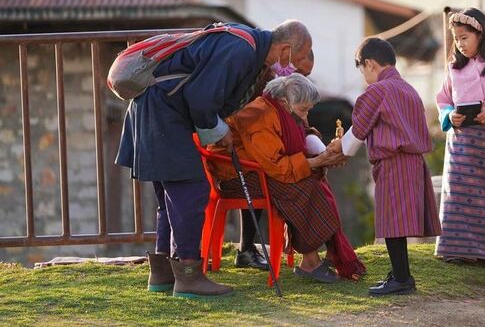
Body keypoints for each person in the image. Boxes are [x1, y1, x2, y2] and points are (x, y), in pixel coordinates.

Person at [115, 20, 312, 298]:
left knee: (170, 196)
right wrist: (221, 133)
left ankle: (163, 274)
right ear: (286, 49)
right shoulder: (241, 49)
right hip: (163, 112)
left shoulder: (247, 45)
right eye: (299, 59)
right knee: (191, 190)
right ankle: (189, 276)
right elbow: (201, 96)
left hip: (157, 108)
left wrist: (220, 129)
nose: (295, 68)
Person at [209, 73, 366, 283]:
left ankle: (331, 251)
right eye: (303, 110)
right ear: (285, 102)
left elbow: (300, 136)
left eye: (308, 110)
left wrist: (321, 154)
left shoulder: (283, 110)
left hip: (260, 169)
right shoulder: (259, 115)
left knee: (313, 180)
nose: (305, 117)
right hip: (237, 175)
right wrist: (318, 162)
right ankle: (310, 261)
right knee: (301, 185)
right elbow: (278, 167)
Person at [328, 37, 441, 295]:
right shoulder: (409, 90)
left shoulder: (378, 90)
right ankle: (401, 274)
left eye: (362, 70)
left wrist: (340, 148)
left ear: (369, 64)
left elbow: (358, 131)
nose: (363, 76)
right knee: (397, 221)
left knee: (392, 221)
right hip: (415, 161)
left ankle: (402, 279)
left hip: (393, 161)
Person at [434, 8, 485, 270]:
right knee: (457, 192)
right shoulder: (453, 69)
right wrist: (449, 115)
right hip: (460, 143)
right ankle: (456, 250)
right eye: (456, 38)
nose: (460, 43)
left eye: (465, 37)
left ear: (481, 34)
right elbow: (443, 100)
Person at [234, 48, 315, 271]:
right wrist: (312, 162)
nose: (302, 79)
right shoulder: (264, 84)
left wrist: (310, 136)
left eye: (306, 76)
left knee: (306, 178)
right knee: (293, 182)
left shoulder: (290, 94)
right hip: (241, 161)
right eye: (300, 72)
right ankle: (249, 249)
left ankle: (311, 255)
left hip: (260, 156)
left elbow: (299, 123)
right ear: (289, 56)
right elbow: (276, 163)